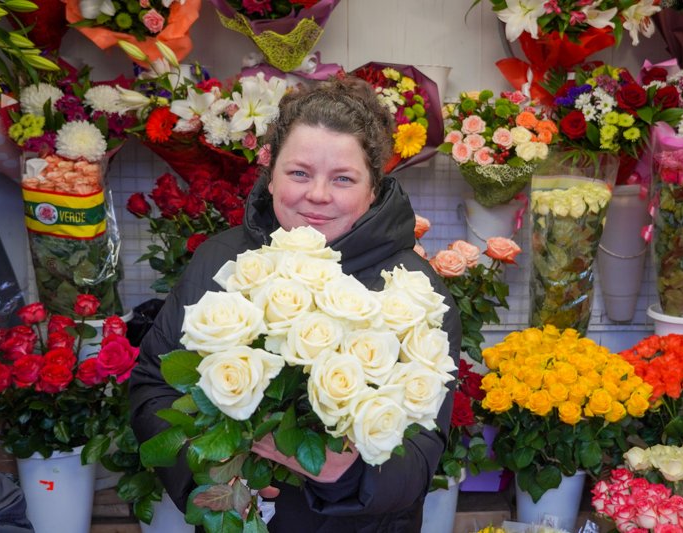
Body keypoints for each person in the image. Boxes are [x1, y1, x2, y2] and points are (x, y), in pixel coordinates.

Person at [129, 76, 462, 532]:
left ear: (372, 188)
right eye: (299, 173)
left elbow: (425, 449)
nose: (318, 195)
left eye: (343, 178)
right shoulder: (221, 260)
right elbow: (153, 382)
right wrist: (210, 470)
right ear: (270, 176)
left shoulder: (414, 291)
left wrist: (348, 475)